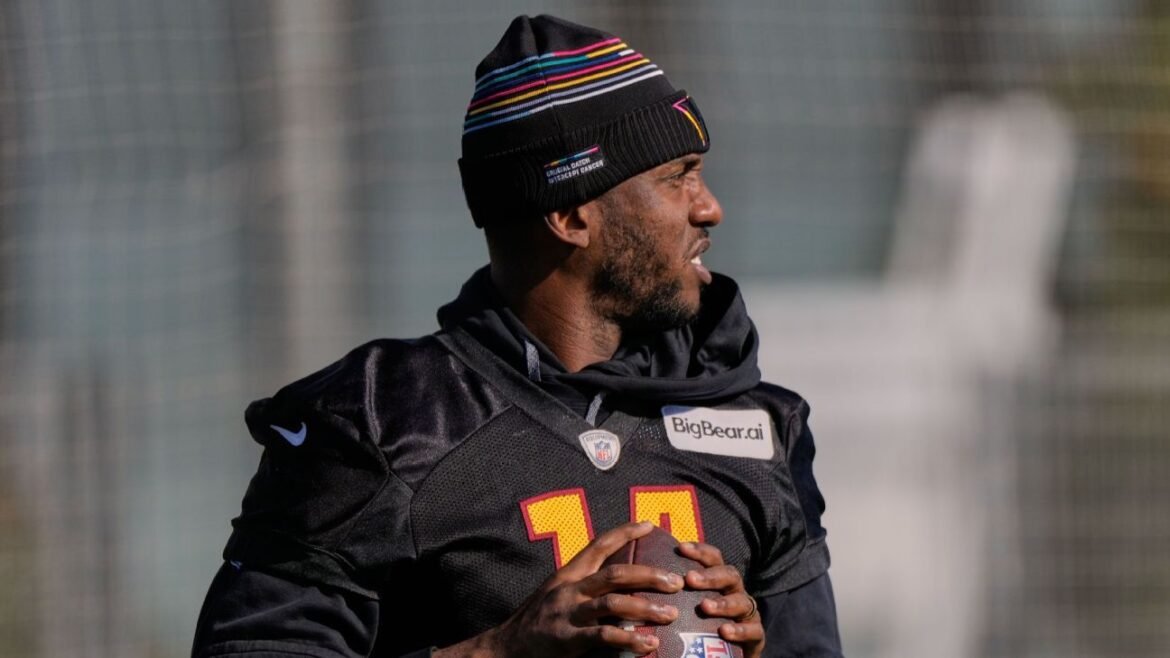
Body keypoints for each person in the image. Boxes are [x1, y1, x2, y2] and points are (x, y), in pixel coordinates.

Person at [193, 14, 842, 658]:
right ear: (570, 214)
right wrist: (501, 650)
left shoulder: (759, 428)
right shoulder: (381, 421)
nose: (709, 207)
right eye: (678, 176)